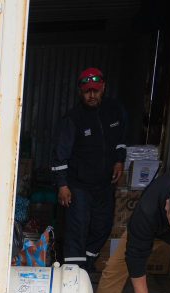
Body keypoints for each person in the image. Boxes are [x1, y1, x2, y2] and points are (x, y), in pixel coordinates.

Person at [51, 67, 128, 272]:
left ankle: (85, 265)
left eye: (95, 90)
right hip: (78, 185)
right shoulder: (73, 118)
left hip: (104, 184)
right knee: (77, 229)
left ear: (103, 88)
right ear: (81, 92)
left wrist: (119, 161)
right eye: (87, 92)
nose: (91, 95)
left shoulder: (114, 111)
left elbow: (120, 140)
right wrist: (62, 185)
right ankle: (73, 273)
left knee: (102, 227)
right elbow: (60, 154)